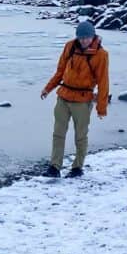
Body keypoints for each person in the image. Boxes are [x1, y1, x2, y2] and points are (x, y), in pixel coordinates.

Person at [39, 21, 109, 178]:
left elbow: (103, 82)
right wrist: (48, 88)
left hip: (83, 100)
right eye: (81, 37)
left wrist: (101, 108)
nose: (84, 40)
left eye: (87, 37)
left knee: (80, 135)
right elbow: (60, 71)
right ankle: (54, 167)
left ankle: (77, 167)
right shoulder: (70, 47)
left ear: (93, 36)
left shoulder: (101, 55)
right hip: (63, 96)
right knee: (58, 133)